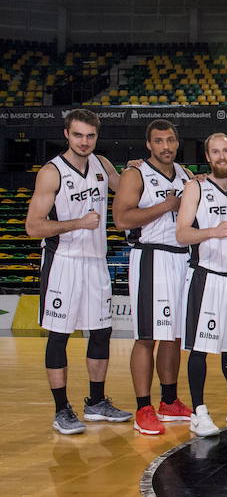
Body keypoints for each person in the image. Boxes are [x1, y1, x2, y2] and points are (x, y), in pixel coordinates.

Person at [26, 108, 132, 434]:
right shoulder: (51, 172)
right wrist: (78, 223)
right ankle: (61, 410)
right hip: (64, 262)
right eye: (78, 135)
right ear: (66, 135)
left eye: (90, 136)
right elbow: (33, 226)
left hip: (96, 262)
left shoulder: (102, 164)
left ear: (96, 137)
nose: (84, 142)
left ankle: (96, 402)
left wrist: (148, 171)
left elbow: (129, 190)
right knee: (59, 337)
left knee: (101, 333)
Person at [113, 119, 195, 435]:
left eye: (170, 140)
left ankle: (170, 401)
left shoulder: (186, 175)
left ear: (177, 142)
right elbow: (121, 218)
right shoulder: (135, 175)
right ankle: (143, 407)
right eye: (159, 140)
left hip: (180, 258)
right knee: (147, 336)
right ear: (149, 144)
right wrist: (165, 205)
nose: (165, 146)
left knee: (173, 335)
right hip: (150, 256)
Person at [176, 132, 227, 436]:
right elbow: (181, 235)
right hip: (207, 276)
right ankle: (198, 411)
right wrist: (211, 232)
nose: (221, 156)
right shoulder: (195, 188)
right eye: (215, 152)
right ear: (208, 157)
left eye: (226, 150)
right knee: (201, 348)